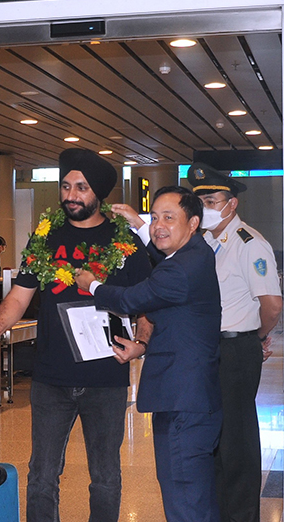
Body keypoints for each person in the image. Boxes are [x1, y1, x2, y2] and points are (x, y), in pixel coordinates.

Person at [0, 148, 153, 522]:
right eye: (66, 186)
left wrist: (141, 345)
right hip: (51, 379)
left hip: (106, 378)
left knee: (105, 477)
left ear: (98, 194)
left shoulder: (127, 243)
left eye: (81, 188)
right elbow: (19, 297)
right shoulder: (46, 238)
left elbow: (148, 304)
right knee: (42, 476)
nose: (71, 195)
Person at [75, 185, 222, 522]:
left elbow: (131, 300)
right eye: (154, 217)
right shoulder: (198, 253)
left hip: (182, 402)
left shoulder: (180, 270)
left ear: (194, 222)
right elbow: (163, 255)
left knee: (183, 496)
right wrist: (139, 224)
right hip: (195, 399)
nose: (158, 226)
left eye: (169, 218)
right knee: (196, 495)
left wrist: (91, 285)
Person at [187, 163, 283, 522]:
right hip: (211, 349)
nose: (206, 208)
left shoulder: (250, 243)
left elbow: (272, 306)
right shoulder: (207, 243)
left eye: (212, 200)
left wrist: (254, 338)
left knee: (236, 441)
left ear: (232, 203)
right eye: (201, 201)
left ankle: (241, 515)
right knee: (214, 438)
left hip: (235, 349)